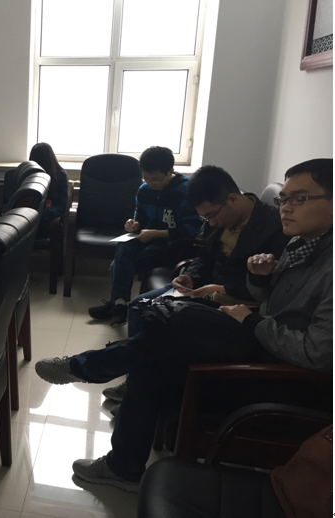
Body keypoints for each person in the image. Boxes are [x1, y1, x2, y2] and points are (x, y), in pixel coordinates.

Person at [35, 158, 333, 493]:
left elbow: (317, 355)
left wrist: (250, 319)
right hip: (255, 336)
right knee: (156, 340)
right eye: (284, 199)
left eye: (299, 199)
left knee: (161, 340)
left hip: (278, 373)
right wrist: (259, 277)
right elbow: (264, 294)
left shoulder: (318, 258)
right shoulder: (302, 243)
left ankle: (89, 372)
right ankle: (120, 455)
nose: (286, 208)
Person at [103, 166, 291, 406]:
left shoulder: (275, 226)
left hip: (236, 301)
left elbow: (269, 284)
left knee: (158, 320)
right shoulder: (215, 217)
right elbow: (203, 256)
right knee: (139, 305)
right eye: (206, 218)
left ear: (233, 199)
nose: (211, 222)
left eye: (212, 216)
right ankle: (137, 381)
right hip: (202, 290)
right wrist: (190, 277)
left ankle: (143, 388)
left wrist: (220, 289)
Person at [88, 146, 203, 325]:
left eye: (155, 179)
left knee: (117, 266)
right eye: (146, 178)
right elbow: (141, 218)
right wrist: (134, 224)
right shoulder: (144, 190)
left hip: (173, 247)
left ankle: (117, 304)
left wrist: (158, 233)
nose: (150, 183)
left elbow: (194, 229)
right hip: (149, 239)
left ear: (170, 171)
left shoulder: (186, 191)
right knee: (123, 246)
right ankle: (120, 305)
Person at [28, 142, 68, 235]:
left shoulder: (60, 175)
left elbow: (61, 206)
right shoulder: (29, 173)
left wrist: (39, 215)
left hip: (45, 218)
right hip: (29, 215)